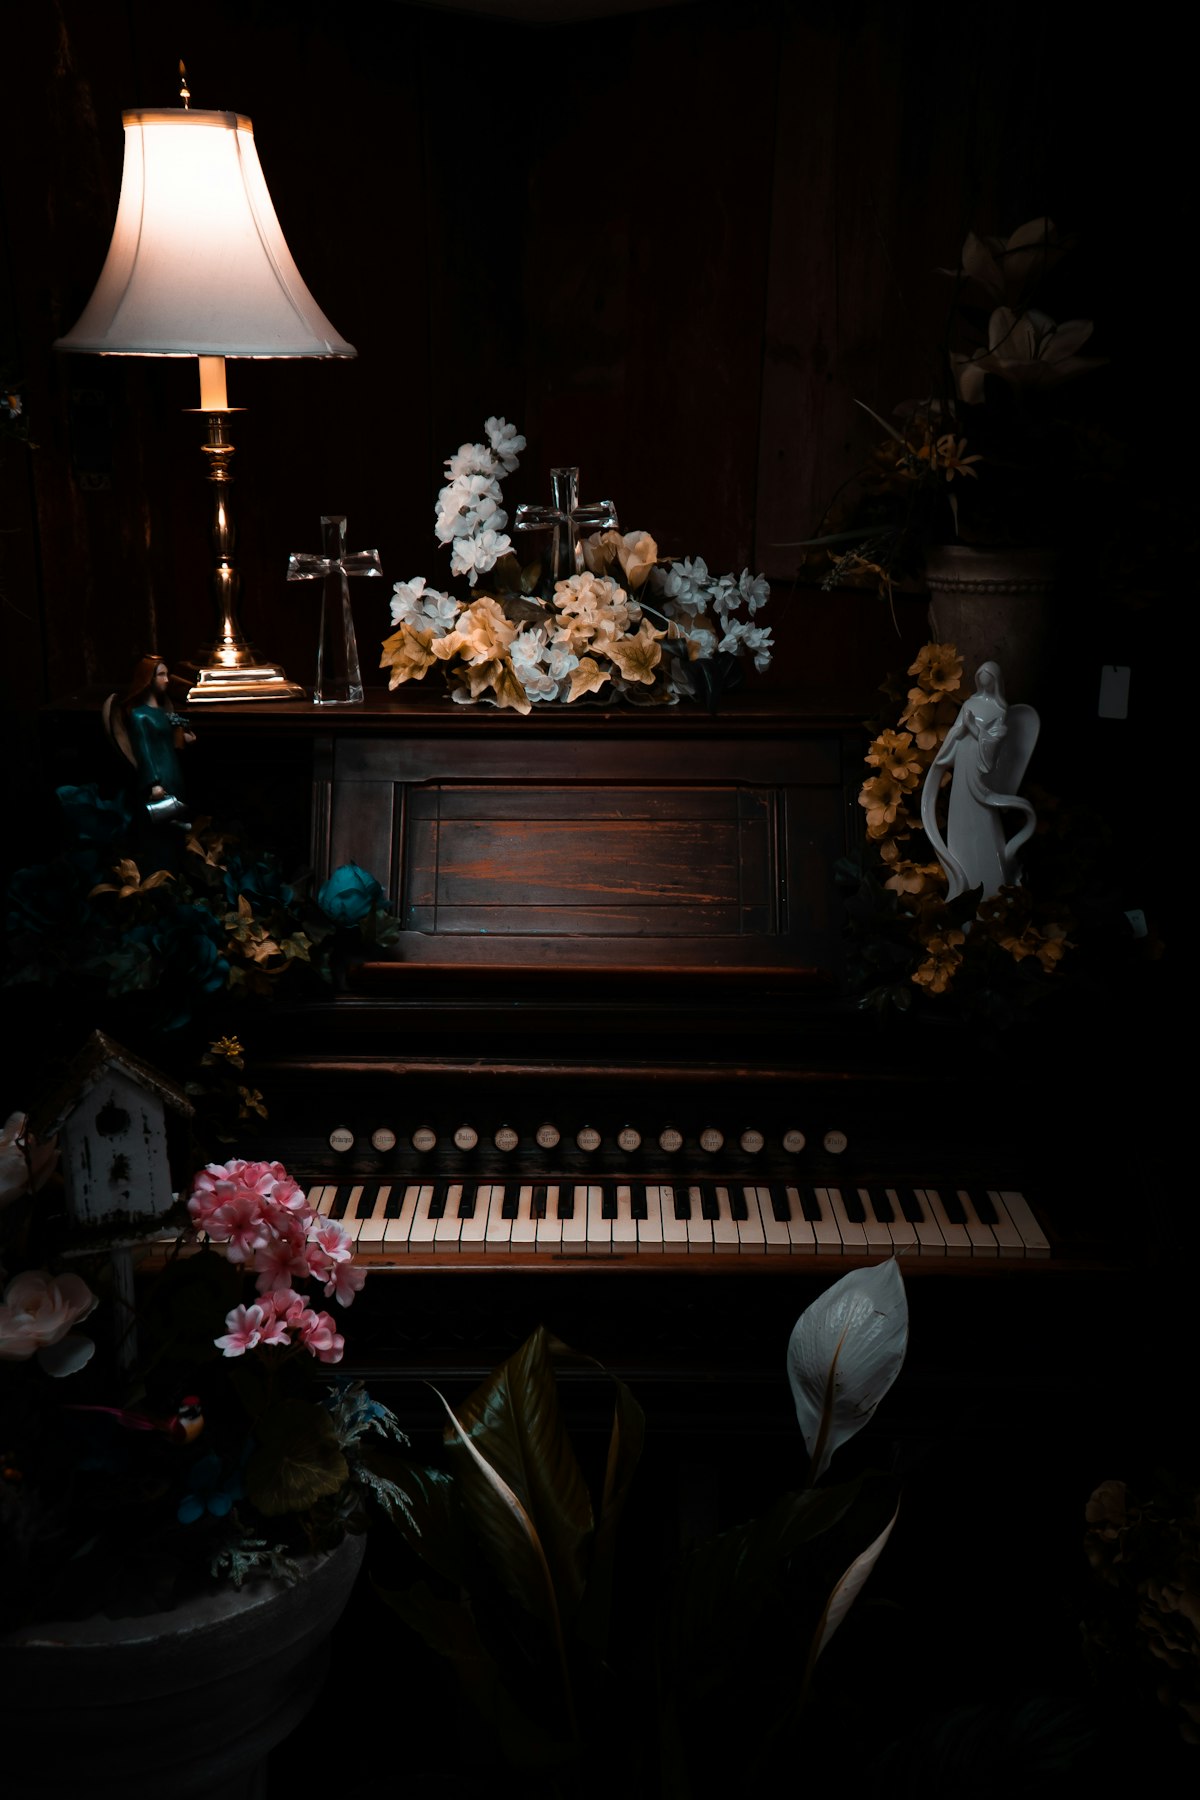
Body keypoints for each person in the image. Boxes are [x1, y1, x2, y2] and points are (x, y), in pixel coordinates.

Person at [920, 661, 1038, 901]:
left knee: (984, 820)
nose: (984, 680)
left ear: (995, 681)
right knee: (960, 816)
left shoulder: (999, 709)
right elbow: (955, 732)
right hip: (963, 764)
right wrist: (960, 730)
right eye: (981, 676)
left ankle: (991, 889)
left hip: (978, 772)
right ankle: (962, 883)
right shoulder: (970, 703)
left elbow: (993, 744)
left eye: (988, 677)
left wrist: (973, 729)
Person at [103, 655, 195, 826]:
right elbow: (143, 751)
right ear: (148, 679)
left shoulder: (162, 711)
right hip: (158, 775)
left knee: (177, 814)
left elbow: (168, 737)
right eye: (161, 675)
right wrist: (153, 782)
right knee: (161, 819)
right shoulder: (140, 716)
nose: (166, 680)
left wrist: (184, 737)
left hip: (173, 770)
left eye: (167, 675)